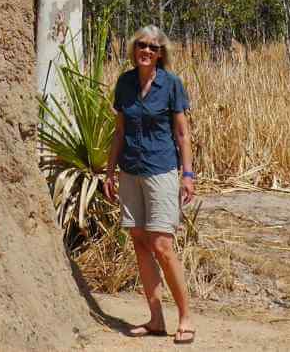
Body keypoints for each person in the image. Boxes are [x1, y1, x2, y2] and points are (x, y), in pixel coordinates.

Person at [103, 25, 196, 344]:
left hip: (161, 169)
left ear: (161, 54)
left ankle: (185, 317)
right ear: (134, 48)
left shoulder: (171, 85)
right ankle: (156, 319)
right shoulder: (125, 83)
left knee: (162, 245)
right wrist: (110, 171)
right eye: (141, 45)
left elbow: (182, 134)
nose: (146, 51)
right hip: (130, 170)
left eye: (153, 48)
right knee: (140, 242)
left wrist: (188, 174)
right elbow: (119, 132)